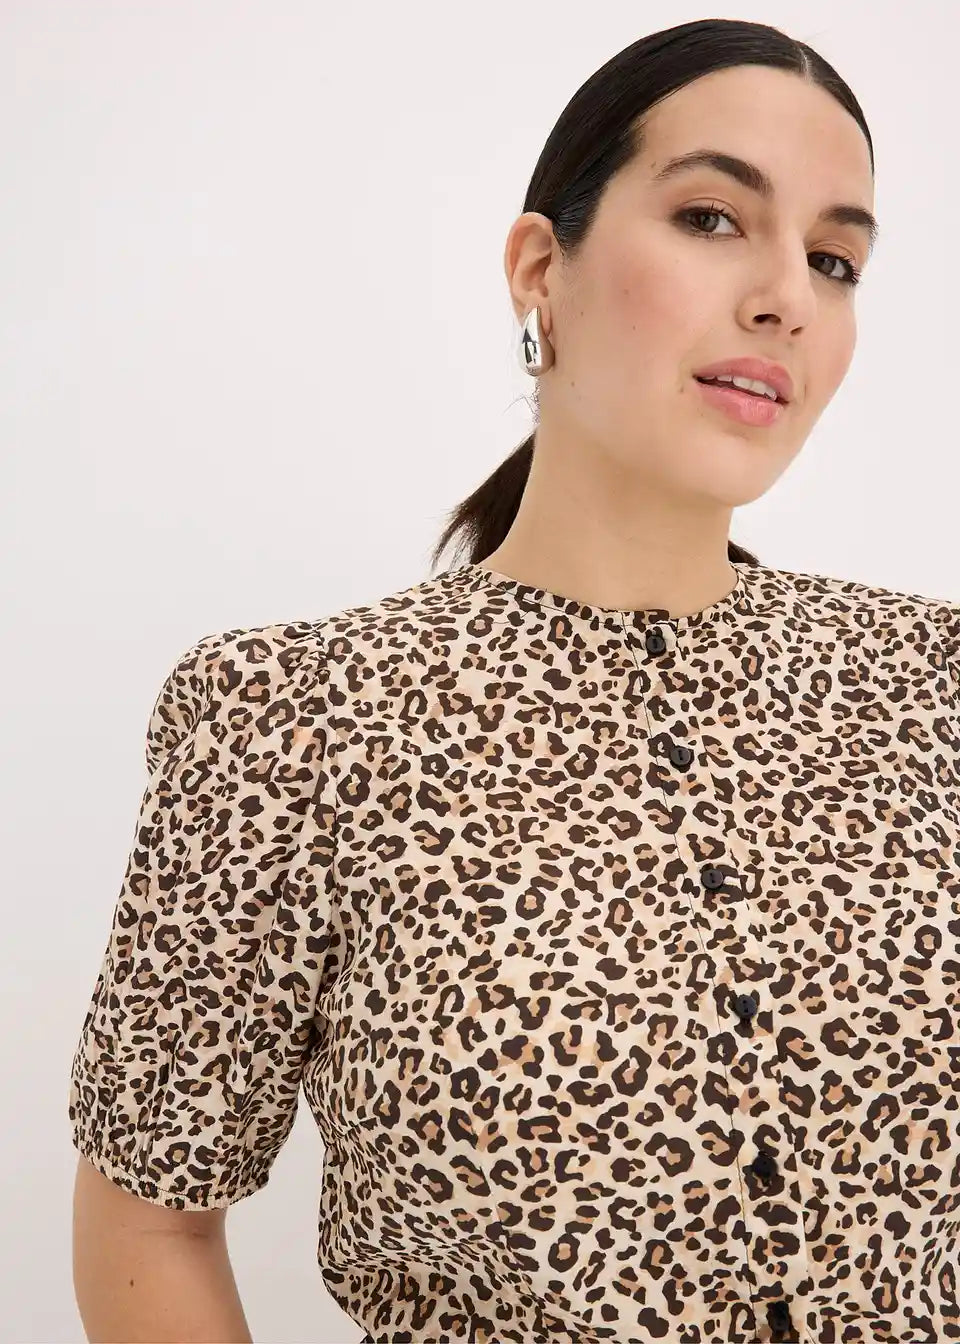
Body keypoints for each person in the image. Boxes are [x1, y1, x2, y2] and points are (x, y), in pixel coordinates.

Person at [68, 16, 960, 1344]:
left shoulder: (933, 685)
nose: (788, 295)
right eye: (713, 219)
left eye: (835, 259)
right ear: (542, 268)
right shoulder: (292, 720)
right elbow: (150, 1221)